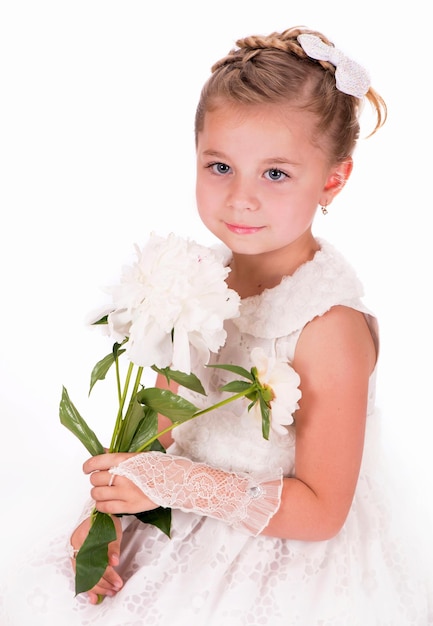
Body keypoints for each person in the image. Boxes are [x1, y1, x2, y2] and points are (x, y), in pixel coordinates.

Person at [1, 25, 432, 626]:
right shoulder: (197, 283)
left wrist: (174, 485)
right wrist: (105, 522)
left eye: (275, 174)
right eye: (221, 166)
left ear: (332, 179)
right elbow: (164, 427)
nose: (240, 199)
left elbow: (323, 510)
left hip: (278, 553)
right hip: (171, 519)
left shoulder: (327, 325)